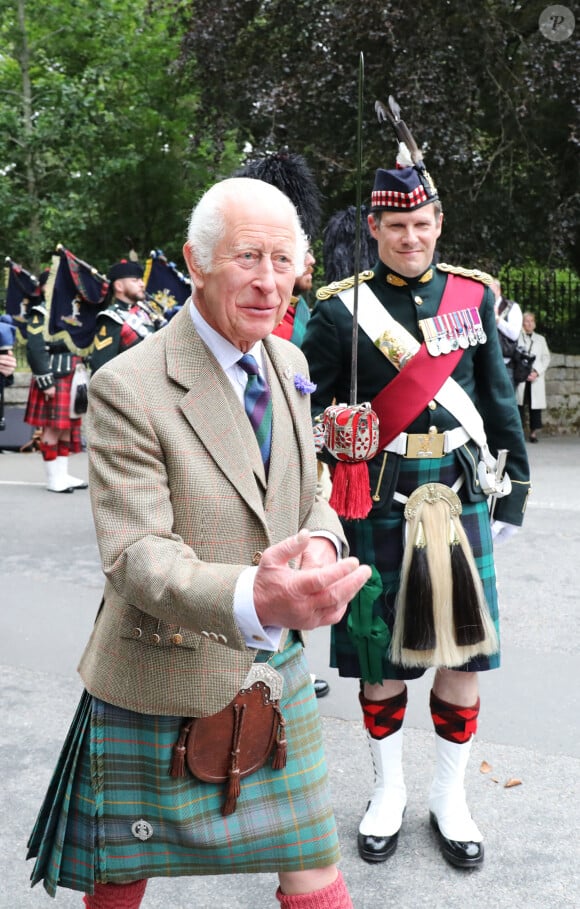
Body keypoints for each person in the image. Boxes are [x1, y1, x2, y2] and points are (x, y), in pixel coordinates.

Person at [27, 177, 371, 909]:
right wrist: (256, 595)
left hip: (272, 670)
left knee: (315, 866)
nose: (269, 280)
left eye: (284, 259)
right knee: (121, 875)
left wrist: (316, 541)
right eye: (248, 256)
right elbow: (136, 555)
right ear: (197, 260)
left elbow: (306, 490)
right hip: (157, 668)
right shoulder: (128, 383)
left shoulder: (293, 365)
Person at [302, 113, 530, 870]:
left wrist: (516, 496)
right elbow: (307, 404)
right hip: (379, 494)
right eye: (396, 226)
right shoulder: (338, 309)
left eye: (423, 223)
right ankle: (388, 790)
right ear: (374, 226)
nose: (410, 238)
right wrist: (340, 427)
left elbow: (497, 401)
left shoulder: (471, 297)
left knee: (463, 654)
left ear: (438, 222)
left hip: (459, 493)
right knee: (379, 655)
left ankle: (449, 797)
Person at [238, 150, 331, 699]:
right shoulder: (269, 307)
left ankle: (290, 655)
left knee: (292, 545)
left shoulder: (302, 310)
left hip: (290, 442)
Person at [23, 274, 88, 493]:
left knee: (67, 429)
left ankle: (63, 474)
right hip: (54, 377)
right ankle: (53, 479)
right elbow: (34, 348)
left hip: (73, 377)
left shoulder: (68, 315)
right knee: (51, 428)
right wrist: (45, 380)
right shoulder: (40, 314)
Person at [89, 260, 164, 373]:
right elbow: (101, 366)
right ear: (119, 286)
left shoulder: (146, 312)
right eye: (135, 281)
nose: (142, 284)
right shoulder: (111, 318)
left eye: (141, 280)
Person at [517, 311, 551, 442]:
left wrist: (536, 372)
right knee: (519, 405)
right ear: (522, 323)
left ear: (535, 323)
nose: (529, 323)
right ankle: (519, 432)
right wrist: (522, 372)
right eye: (527, 321)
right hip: (521, 377)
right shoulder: (517, 338)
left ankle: (533, 433)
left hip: (535, 377)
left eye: (532, 321)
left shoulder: (541, 339)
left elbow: (546, 358)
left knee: (534, 406)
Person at [491, 278, 523, 387]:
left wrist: (497, 319)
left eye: (491, 290)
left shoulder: (512, 307)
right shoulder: (482, 306)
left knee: (506, 402)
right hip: (484, 362)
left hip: (505, 364)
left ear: (498, 290)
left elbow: (514, 335)